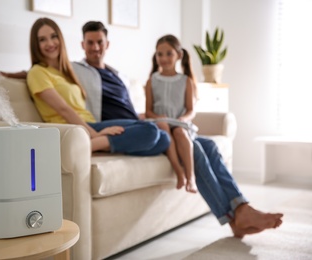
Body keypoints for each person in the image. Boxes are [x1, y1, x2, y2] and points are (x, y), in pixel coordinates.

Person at [72, 21, 283, 238]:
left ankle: (240, 210)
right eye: (90, 43)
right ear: (82, 44)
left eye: (100, 42)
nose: (95, 47)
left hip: (139, 122)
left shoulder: (118, 75)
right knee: (196, 150)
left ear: (108, 44)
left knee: (209, 145)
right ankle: (236, 216)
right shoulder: (78, 71)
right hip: (132, 132)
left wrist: (143, 117)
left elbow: (138, 108)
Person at [26, 17, 170, 156]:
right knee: (149, 130)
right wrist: (94, 133)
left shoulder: (66, 72)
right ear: (35, 44)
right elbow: (64, 110)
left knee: (164, 139)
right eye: (42, 39)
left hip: (90, 123)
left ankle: (106, 145)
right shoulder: (37, 72)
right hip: (75, 128)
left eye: (53, 36)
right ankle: (88, 146)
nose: (50, 43)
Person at [145, 34, 197, 193]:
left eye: (169, 54)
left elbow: (191, 109)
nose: (164, 58)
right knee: (163, 126)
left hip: (179, 123)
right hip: (161, 123)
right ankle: (179, 172)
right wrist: (156, 117)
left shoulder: (185, 81)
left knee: (181, 132)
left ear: (179, 56)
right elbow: (148, 110)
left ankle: (191, 177)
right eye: (160, 54)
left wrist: (183, 118)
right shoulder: (152, 80)